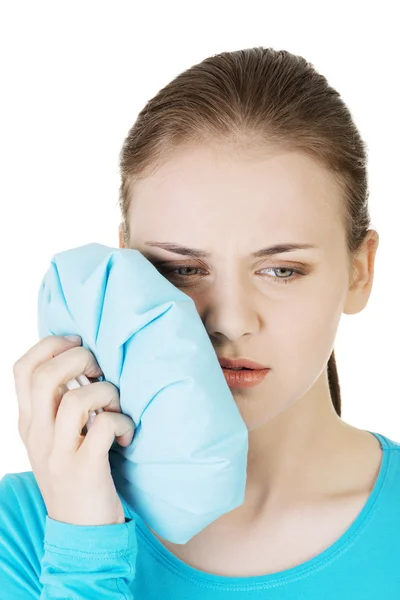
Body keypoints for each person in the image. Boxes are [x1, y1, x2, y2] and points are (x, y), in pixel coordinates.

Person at [1, 46, 399, 599]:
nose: (229, 321)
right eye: (181, 269)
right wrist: (82, 546)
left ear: (360, 272)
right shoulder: (24, 529)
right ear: (124, 266)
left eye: (281, 269)